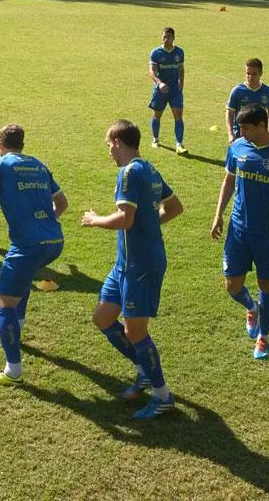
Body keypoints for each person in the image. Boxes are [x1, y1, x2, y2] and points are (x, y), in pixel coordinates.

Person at [81, 120, 184, 419]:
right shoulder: (149, 169)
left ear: (117, 142)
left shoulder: (128, 172)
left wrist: (94, 219)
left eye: (109, 145)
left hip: (142, 264)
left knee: (135, 331)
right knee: (103, 317)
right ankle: (142, 370)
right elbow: (175, 207)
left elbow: (125, 219)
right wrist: (149, 224)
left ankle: (162, 395)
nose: (109, 152)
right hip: (124, 263)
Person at [0, 124, 67, 385]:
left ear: (0, 145)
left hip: (28, 245)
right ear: (22, 144)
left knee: (3, 303)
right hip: (55, 241)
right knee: (23, 280)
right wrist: (46, 225)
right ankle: (15, 329)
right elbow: (62, 203)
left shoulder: (0, 164)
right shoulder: (39, 165)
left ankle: (13, 371)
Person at [211, 104, 269, 361]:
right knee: (232, 284)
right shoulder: (237, 148)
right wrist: (219, 214)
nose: (241, 132)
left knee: (266, 284)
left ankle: (264, 336)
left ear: (262, 125)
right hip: (238, 230)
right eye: (239, 127)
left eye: (246, 127)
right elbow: (228, 181)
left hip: (268, 233)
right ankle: (252, 307)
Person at [148, 26, 187, 154]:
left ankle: (179, 145)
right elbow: (152, 72)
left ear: (173, 38)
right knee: (157, 115)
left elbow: (181, 69)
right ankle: (155, 139)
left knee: (178, 116)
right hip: (161, 91)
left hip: (175, 90)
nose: (165, 39)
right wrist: (159, 83)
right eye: (164, 36)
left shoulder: (179, 52)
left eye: (168, 37)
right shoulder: (156, 53)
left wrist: (181, 84)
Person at [225, 58, 269, 143]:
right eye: (248, 73)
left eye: (254, 74)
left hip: (261, 137)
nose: (250, 77)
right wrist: (230, 134)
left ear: (261, 73)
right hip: (240, 137)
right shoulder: (237, 91)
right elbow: (229, 113)